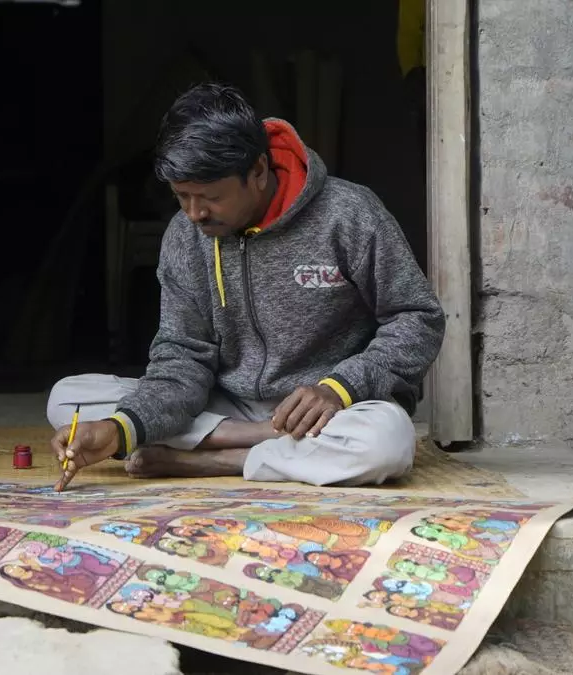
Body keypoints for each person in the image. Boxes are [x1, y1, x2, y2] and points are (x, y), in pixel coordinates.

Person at [48, 82, 445, 492]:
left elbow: (417, 318)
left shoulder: (349, 215)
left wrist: (341, 387)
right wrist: (119, 430)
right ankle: (265, 442)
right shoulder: (186, 236)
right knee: (68, 399)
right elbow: (182, 355)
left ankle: (219, 461)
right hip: (228, 405)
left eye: (210, 197)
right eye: (181, 196)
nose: (195, 213)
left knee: (385, 444)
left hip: (335, 409)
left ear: (258, 171)